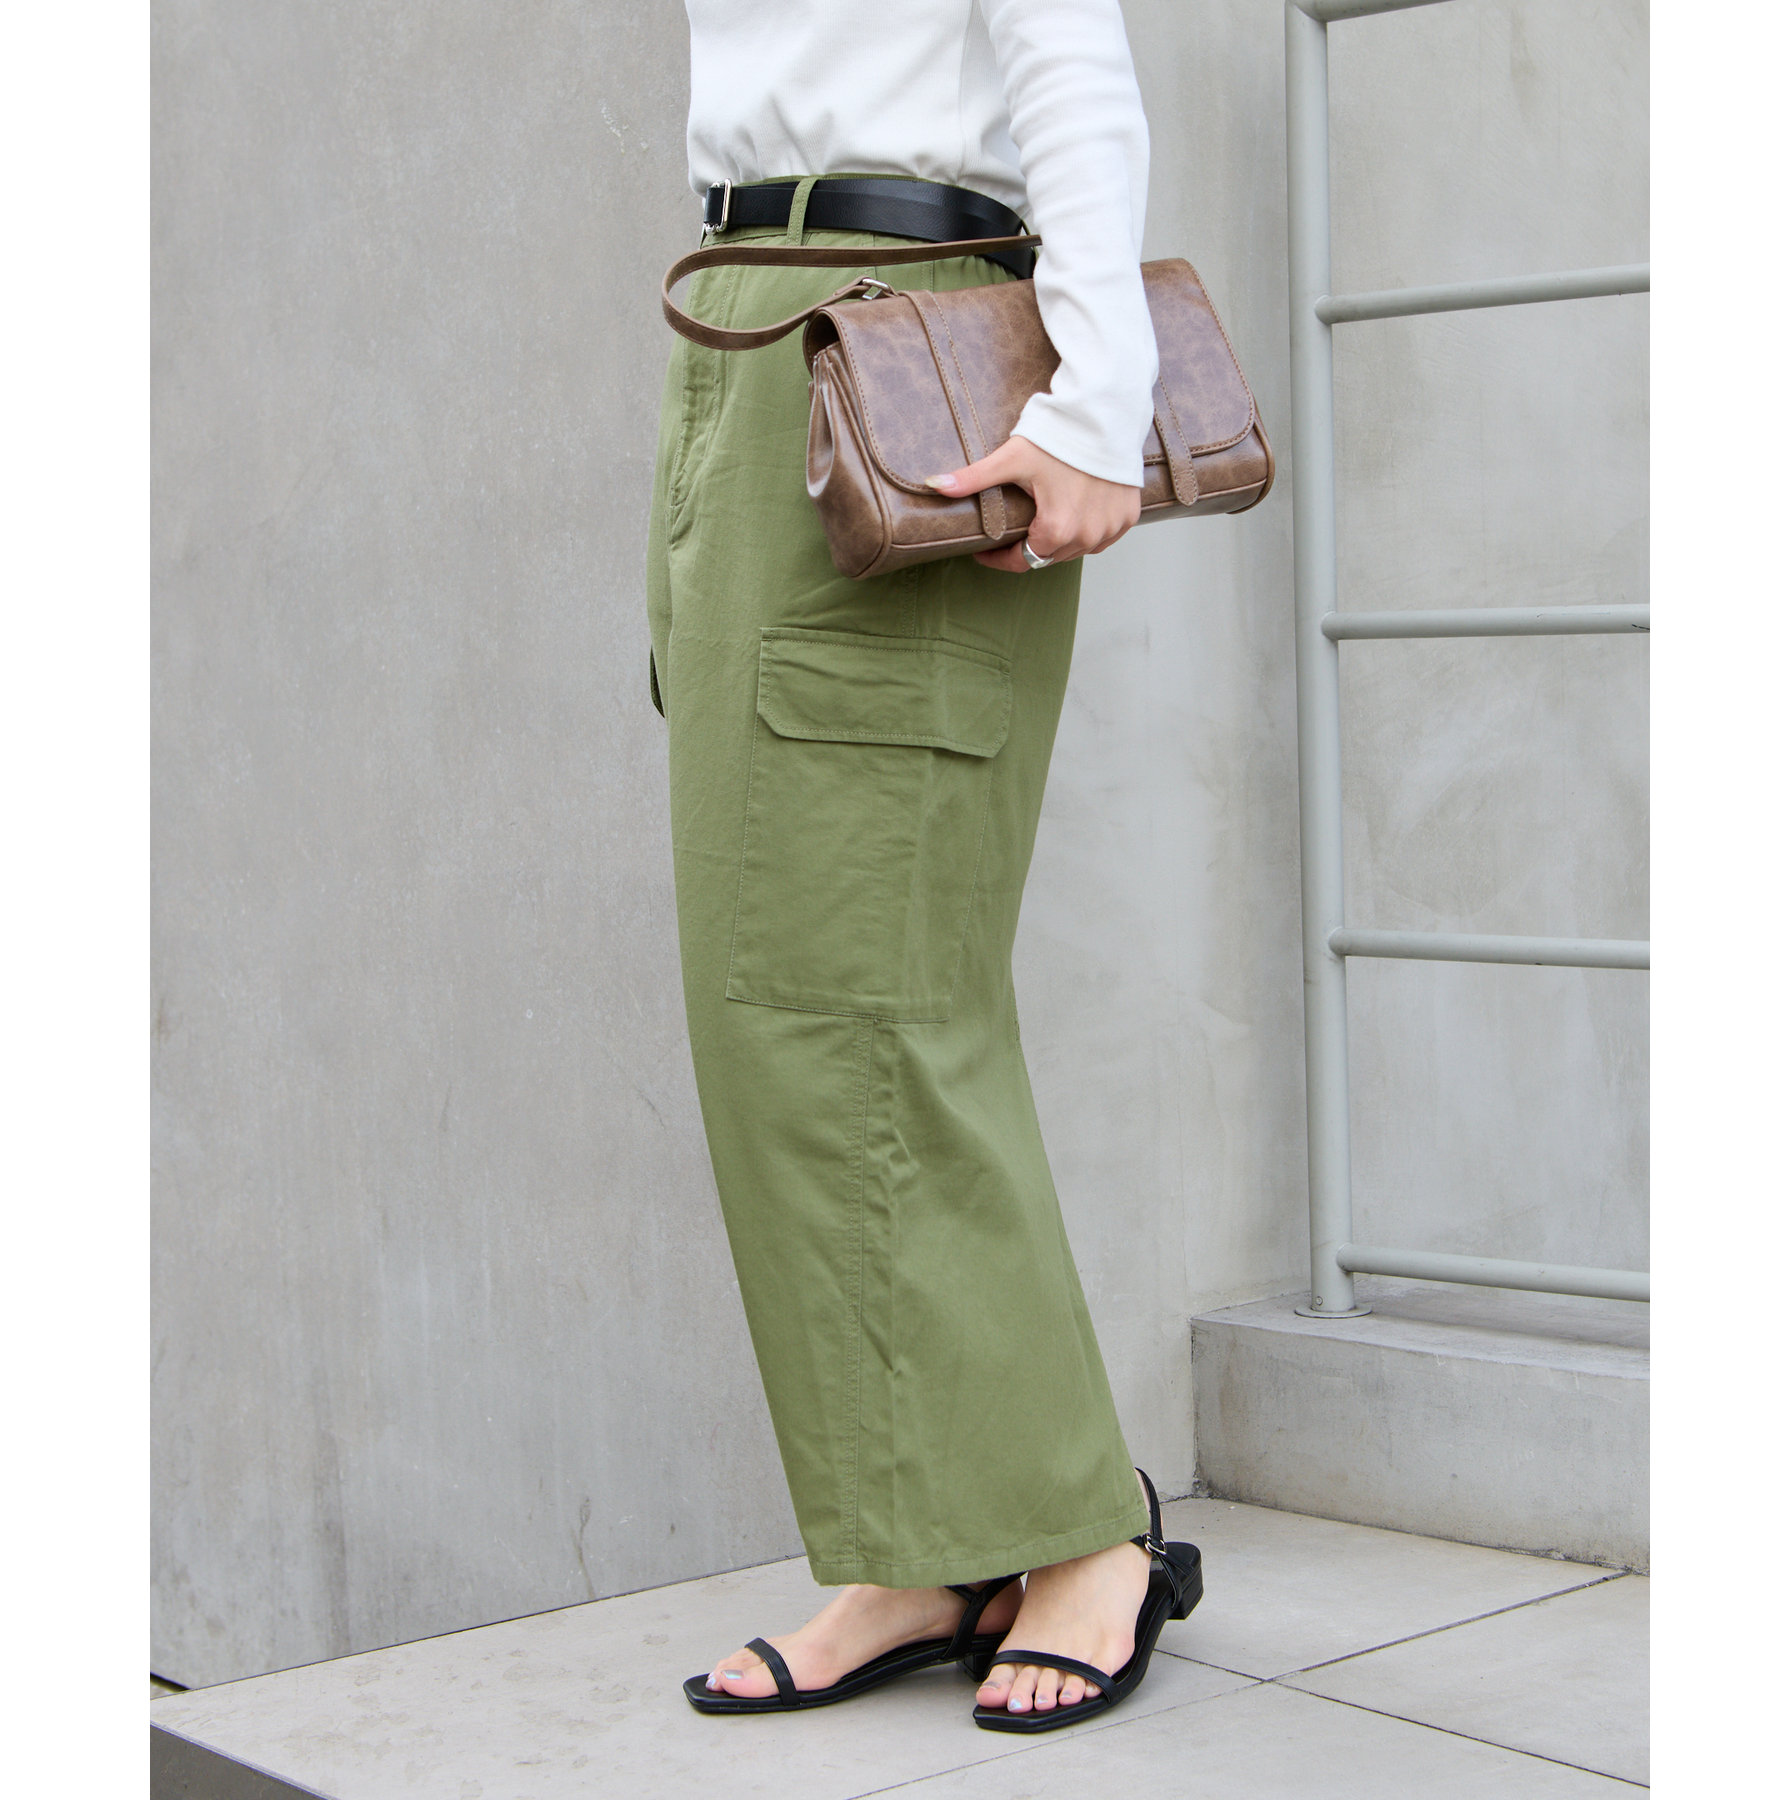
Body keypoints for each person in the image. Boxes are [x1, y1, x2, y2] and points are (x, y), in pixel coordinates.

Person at [645, 0, 1201, 1730]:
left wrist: (1099, 404)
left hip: (904, 355)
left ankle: (1081, 1533)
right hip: (745, 335)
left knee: (873, 1006)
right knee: (775, 1021)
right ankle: (924, 1543)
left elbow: (1069, 60)